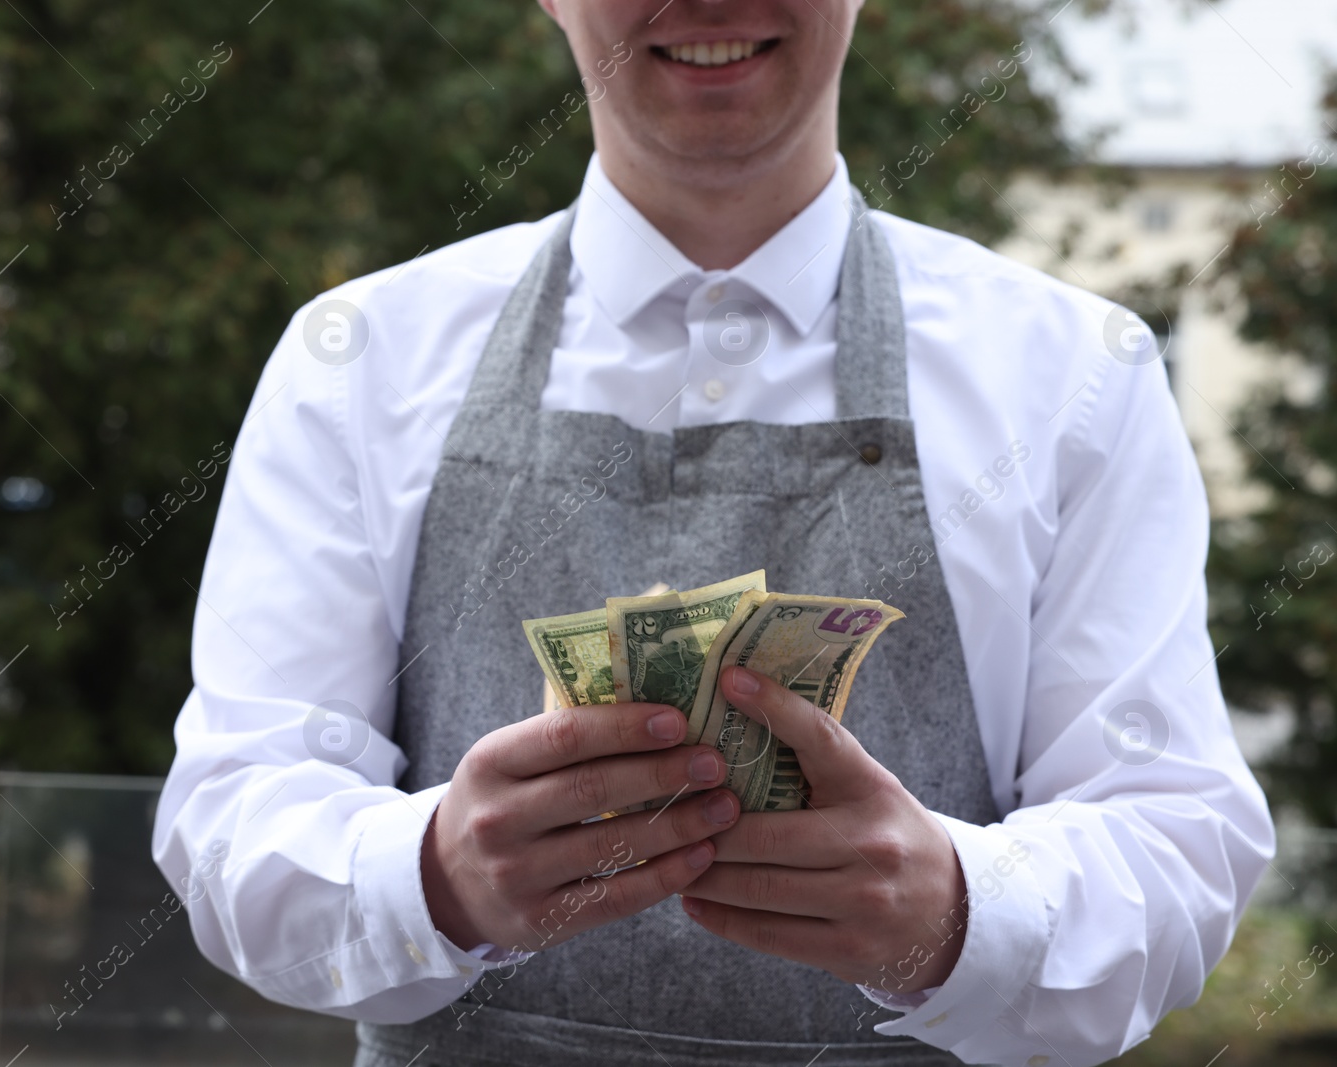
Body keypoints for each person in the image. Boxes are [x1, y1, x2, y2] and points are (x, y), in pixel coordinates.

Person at [151, 2, 1274, 1064]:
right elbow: (233, 815)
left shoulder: (1076, 377)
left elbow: (1174, 844)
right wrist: (432, 875)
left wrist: (960, 910)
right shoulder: (358, 360)